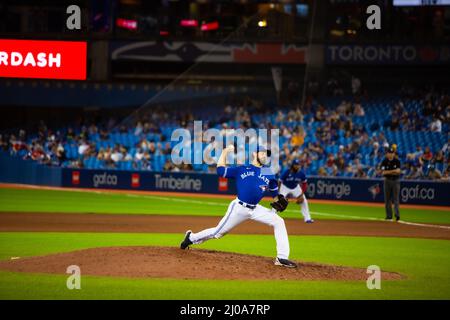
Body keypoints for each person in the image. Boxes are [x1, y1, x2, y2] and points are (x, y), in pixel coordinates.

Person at [180, 145, 297, 268]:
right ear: (254, 155)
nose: (264, 156)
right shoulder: (242, 169)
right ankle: (191, 237)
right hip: (239, 208)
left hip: (256, 209)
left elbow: (274, 190)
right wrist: (224, 152)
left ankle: (282, 257)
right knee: (217, 233)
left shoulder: (268, 172)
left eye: (266, 154)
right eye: (261, 153)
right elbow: (220, 171)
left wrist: (279, 199)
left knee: (279, 222)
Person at [379, 147, 401, 221]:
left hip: (396, 180)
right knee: (387, 199)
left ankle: (397, 215)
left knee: (396, 199)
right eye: (389, 153)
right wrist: (393, 171)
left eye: (392, 153)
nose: (391, 154)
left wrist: (389, 171)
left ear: (394, 154)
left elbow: (398, 171)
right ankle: (389, 216)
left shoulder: (397, 161)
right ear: (387, 154)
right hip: (387, 180)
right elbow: (383, 172)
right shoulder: (384, 161)